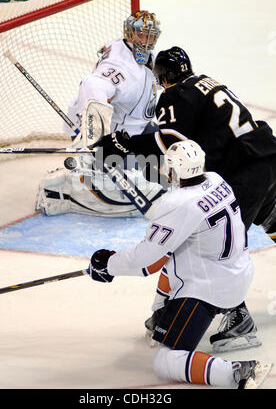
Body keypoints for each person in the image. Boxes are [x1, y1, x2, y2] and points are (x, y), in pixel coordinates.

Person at [93, 46, 276, 352]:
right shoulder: (206, 82)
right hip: (267, 155)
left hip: (244, 172)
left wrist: (123, 145)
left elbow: (173, 141)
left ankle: (237, 318)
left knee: (222, 244)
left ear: (162, 77)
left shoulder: (174, 95)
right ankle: (170, 307)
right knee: (271, 219)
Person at [86, 140, 272, 389]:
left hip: (207, 291)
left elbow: (146, 259)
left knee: (166, 361)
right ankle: (164, 313)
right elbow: (159, 257)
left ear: (174, 170)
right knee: (175, 254)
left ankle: (236, 373)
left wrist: (108, 264)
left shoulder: (177, 204)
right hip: (238, 275)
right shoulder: (217, 180)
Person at [35, 10, 164, 218]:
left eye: (151, 35)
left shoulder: (137, 55)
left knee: (164, 171)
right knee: (113, 188)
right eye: (142, 35)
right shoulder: (120, 66)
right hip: (114, 137)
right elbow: (92, 84)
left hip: (135, 129)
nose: (147, 41)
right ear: (130, 34)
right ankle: (60, 191)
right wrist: (97, 137)